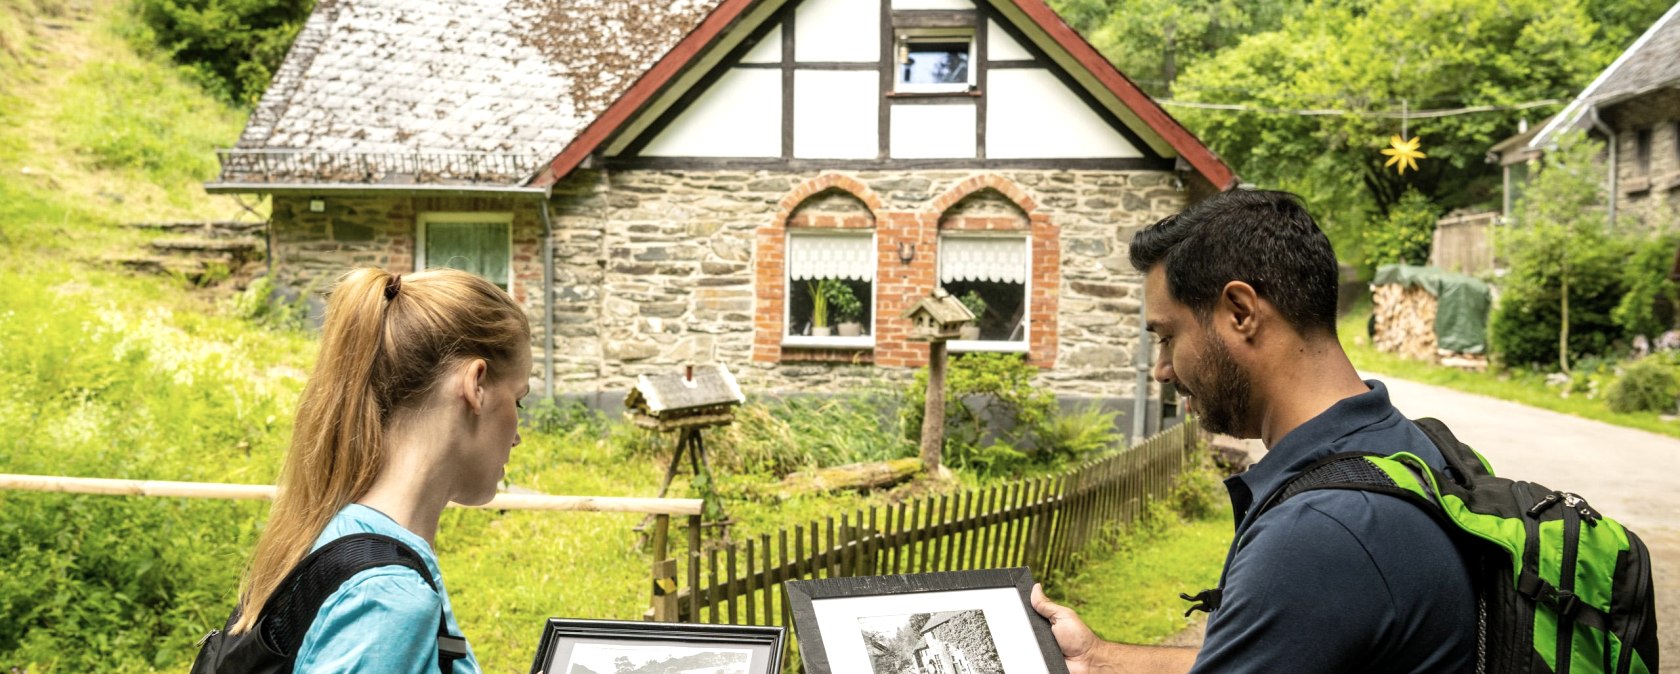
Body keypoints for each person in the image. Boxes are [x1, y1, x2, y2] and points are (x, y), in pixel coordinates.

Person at [1031, 190, 1477, 673]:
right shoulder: (1407, 446)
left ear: (1241, 312)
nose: (1161, 369)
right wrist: (1096, 660)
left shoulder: (1319, 530)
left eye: (1168, 337)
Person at [228, 268, 531, 673]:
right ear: (475, 384)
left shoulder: (340, 532)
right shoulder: (387, 597)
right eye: (518, 400)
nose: (517, 436)